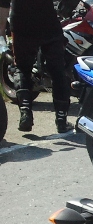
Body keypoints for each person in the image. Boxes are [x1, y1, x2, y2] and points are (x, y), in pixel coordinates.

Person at [0, 0, 73, 133]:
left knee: (22, 68)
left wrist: (1, 30)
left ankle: (25, 114)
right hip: (47, 22)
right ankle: (61, 119)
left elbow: (3, 3)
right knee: (58, 71)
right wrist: (66, 7)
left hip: (21, 23)